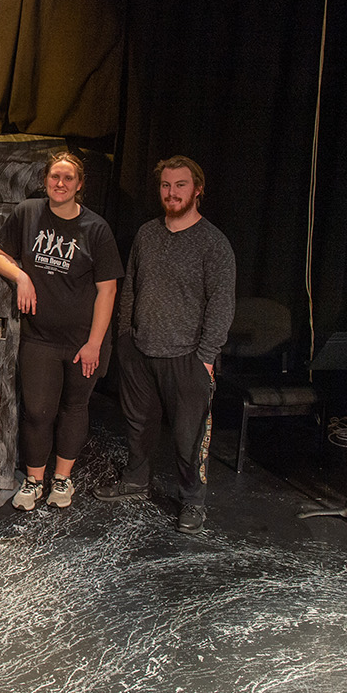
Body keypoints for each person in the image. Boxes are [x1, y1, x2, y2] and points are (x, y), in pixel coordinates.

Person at [94, 156, 236, 535]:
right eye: (166, 186)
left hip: (187, 356)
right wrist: (125, 336)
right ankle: (136, 480)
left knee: (189, 436)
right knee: (138, 425)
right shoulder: (147, 234)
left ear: (197, 190)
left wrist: (206, 358)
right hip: (141, 349)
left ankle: (192, 500)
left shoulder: (213, 244)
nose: (172, 193)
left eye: (180, 185)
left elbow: (222, 305)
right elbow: (132, 287)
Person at [0, 152, 123, 512]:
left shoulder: (96, 229)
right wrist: (21, 276)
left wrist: (95, 343)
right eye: (54, 177)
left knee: (74, 407)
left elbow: (107, 290)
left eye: (68, 179)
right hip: (40, 337)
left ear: (80, 185)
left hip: (84, 338)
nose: (60, 184)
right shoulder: (28, 213)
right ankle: (34, 480)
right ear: (45, 180)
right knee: (37, 410)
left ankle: (62, 479)